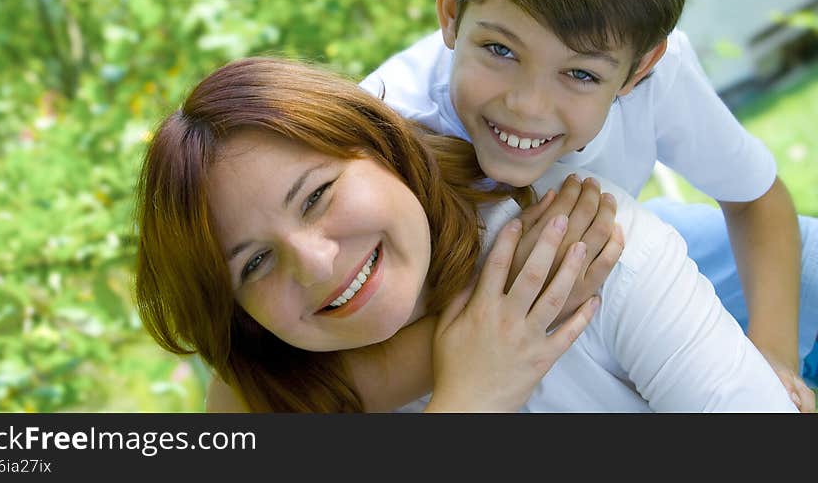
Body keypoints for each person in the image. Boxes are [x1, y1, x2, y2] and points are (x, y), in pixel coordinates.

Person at [359, 0, 818, 409]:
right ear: (452, 14)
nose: (527, 105)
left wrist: (774, 355)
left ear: (638, 70)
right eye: (501, 50)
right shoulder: (388, 127)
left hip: (636, 243)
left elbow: (755, 197)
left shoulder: (659, 79)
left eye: (580, 75)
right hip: (490, 315)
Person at [135, 56, 797, 412]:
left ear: (385, 147)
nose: (313, 262)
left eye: (317, 195)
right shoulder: (266, 394)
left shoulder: (576, 248)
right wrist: (471, 397)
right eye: (254, 264)